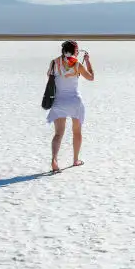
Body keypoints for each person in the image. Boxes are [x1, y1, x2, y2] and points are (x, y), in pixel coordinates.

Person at [46, 40, 94, 173]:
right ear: (74, 51)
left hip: (59, 101)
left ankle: (54, 159)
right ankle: (75, 160)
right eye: (77, 51)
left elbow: (48, 76)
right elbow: (91, 77)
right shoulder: (77, 64)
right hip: (74, 102)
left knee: (58, 134)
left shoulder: (54, 62)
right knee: (77, 132)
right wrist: (88, 62)